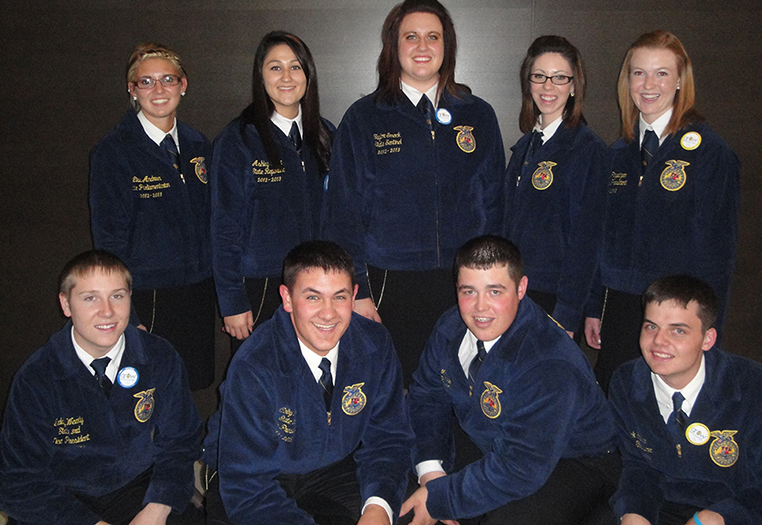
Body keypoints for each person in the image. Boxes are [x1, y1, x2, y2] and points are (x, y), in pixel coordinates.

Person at [324, 0, 506, 384]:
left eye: (433, 37)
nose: (422, 47)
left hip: (465, 283)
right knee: (395, 389)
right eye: (411, 37)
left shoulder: (477, 114)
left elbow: (495, 207)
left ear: (447, 46)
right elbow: (343, 214)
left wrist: (493, 286)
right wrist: (357, 291)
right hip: (391, 282)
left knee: (462, 387)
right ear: (394, 46)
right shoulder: (364, 119)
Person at [401, 235, 620, 525]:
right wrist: (431, 474)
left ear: (521, 288)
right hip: (490, 436)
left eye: (495, 292)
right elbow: (427, 399)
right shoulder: (450, 327)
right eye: (469, 291)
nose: (480, 308)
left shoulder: (550, 362)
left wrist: (442, 498)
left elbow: (520, 468)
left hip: (573, 458)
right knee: (401, 487)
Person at [204, 241, 413, 525]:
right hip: (255, 474)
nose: (328, 314)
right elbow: (245, 484)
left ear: (354, 296)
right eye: (313, 298)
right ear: (287, 298)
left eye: (339, 297)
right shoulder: (254, 365)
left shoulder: (375, 344)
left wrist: (378, 509)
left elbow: (389, 438)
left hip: (335, 468)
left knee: (404, 508)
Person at [0, 250, 202, 525]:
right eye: (90, 298)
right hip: (62, 498)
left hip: (141, 488)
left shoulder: (159, 355)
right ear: (66, 305)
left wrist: (158, 508)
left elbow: (181, 442)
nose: (107, 311)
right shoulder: (36, 378)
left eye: (117, 296)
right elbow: (17, 477)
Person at [586, 31, 740, 392]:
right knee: (618, 402)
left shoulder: (710, 154)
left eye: (661, 73)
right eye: (638, 73)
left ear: (680, 81)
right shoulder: (618, 154)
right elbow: (601, 240)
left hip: (676, 314)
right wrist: (595, 306)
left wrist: (706, 328)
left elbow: (719, 256)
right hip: (621, 309)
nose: (648, 84)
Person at [609, 274, 762, 525]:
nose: (658, 341)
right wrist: (634, 513)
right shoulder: (627, 382)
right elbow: (638, 466)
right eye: (651, 326)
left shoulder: (759, 390)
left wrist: (719, 517)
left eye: (678, 330)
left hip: (742, 510)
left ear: (707, 339)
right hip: (663, 507)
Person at [89, 43, 215, 390]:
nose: (159, 90)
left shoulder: (197, 145)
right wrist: (128, 312)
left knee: (188, 392)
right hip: (148, 296)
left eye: (168, 79)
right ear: (132, 90)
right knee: (145, 394)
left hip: (196, 294)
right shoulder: (114, 152)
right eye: (146, 82)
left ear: (183, 84)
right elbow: (108, 243)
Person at [211, 31, 334, 350]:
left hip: (319, 285)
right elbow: (224, 227)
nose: (286, 77)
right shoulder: (239, 140)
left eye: (295, 67)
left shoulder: (326, 135)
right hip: (261, 288)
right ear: (260, 76)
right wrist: (232, 301)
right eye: (275, 67)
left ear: (308, 74)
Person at [503, 35, 608, 338]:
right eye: (539, 76)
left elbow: (586, 241)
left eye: (560, 78)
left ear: (574, 86)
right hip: (516, 292)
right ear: (529, 82)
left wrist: (569, 312)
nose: (548, 87)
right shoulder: (525, 147)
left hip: (554, 298)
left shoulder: (587, 149)